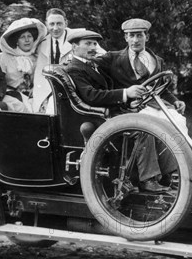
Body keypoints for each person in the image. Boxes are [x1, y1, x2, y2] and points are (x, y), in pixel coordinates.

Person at [65, 29, 172, 192]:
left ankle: (164, 174)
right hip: (97, 118)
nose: (93, 47)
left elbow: (108, 90)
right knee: (144, 129)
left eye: (94, 43)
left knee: (159, 122)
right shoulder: (75, 68)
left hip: (111, 113)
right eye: (87, 44)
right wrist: (126, 93)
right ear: (74, 47)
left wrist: (128, 104)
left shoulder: (92, 65)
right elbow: (91, 96)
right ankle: (147, 179)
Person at [94, 18, 186, 125]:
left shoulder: (157, 60)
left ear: (147, 37)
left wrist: (175, 101)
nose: (135, 40)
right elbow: (88, 62)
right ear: (126, 38)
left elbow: (161, 89)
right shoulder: (112, 58)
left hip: (159, 107)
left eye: (139, 35)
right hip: (131, 110)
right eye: (131, 36)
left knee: (179, 122)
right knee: (153, 126)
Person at [0, 18, 46, 112]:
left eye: (30, 36)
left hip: (33, 96)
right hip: (10, 96)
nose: (27, 40)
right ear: (16, 40)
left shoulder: (38, 58)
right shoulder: (3, 57)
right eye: (22, 37)